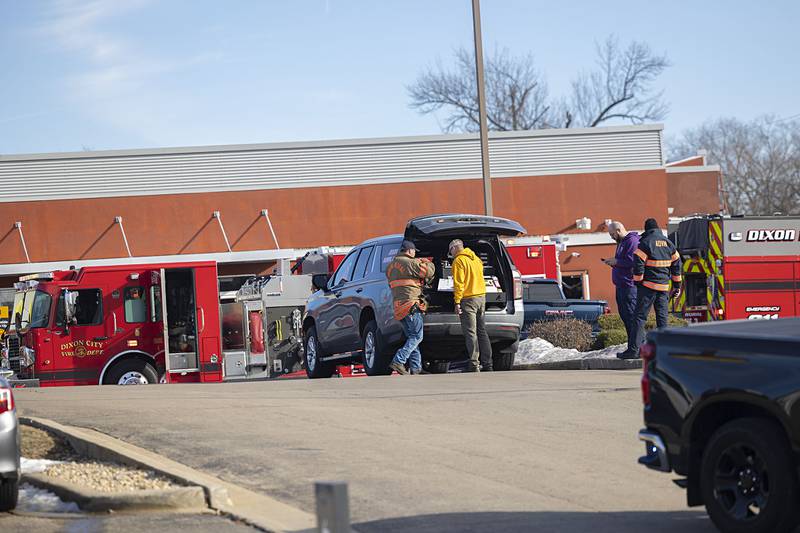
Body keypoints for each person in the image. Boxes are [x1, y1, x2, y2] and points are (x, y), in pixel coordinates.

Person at [623, 218, 682, 359]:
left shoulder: (645, 243)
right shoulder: (669, 244)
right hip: (663, 288)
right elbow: (676, 266)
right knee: (662, 319)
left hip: (647, 288)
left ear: (647, 229)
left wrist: (638, 282)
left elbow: (638, 264)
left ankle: (634, 350)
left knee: (639, 318)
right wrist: (677, 286)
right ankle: (665, 350)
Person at [386, 240, 435, 375]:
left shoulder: (390, 266)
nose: (415, 253)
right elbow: (428, 272)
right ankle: (398, 360)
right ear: (409, 251)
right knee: (417, 337)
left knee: (412, 337)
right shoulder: (410, 263)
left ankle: (416, 368)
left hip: (399, 306)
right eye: (414, 251)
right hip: (411, 305)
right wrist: (428, 262)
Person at [449, 239, 492, 372]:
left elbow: (459, 283)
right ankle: (488, 363)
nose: (450, 254)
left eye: (450, 250)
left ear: (455, 248)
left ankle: (474, 364)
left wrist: (457, 302)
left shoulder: (458, 261)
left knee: (471, 332)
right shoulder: (476, 259)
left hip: (468, 300)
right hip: (481, 298)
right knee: (482, 331)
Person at [602, 221, 640, 359]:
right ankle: (632, 348)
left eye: (612, 234)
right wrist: (614, 263)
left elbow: (633, 262)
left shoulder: (632, 242)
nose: (611, 237)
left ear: (618, 230)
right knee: (625, 317)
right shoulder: (621, 243)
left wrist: (616, 262)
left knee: (631, 318)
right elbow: (623, 263)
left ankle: (637, 348)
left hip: (629, 287)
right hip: (621, 286)